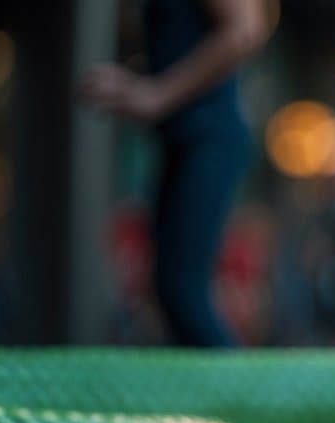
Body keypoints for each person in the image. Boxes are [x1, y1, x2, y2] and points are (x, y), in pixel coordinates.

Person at [83, 0, 268, 347]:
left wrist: (155, 94)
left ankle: (242, 396)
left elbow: (245, 28)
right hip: (182, 139)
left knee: (183, 291)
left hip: (208, 136)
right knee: (170, 291)